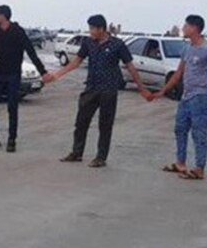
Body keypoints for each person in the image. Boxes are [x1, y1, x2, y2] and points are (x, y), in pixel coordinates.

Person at [42, 14, 153, 167]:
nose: (90, 32)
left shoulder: (118, 45)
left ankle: (101, 157)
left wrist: (142, 89)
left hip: (109, 89)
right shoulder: (88, 43)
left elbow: (130, 66)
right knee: (81, 122)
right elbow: (76, 62)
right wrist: (56, 75)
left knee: (105, 124)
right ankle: (77, 152)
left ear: (102, 29)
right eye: (89, 29)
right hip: (91, 87)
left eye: (93, 29)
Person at [154, 14, 207, 180]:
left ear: (194, 28)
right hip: (186, 95)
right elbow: (179, 72)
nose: (183, 28)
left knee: (199, 132)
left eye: (186, 26)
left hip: (201, 95)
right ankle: (180, 163)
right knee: (180, 129)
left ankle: (199, 168)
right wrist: (163, 90)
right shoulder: (187, 48)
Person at [0, 5, 48, 153]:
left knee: (12, 107)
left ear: (2, 16)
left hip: (13, 75)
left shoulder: (18, 31)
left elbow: (31, 52)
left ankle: (11, 139)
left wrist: (43, 72)